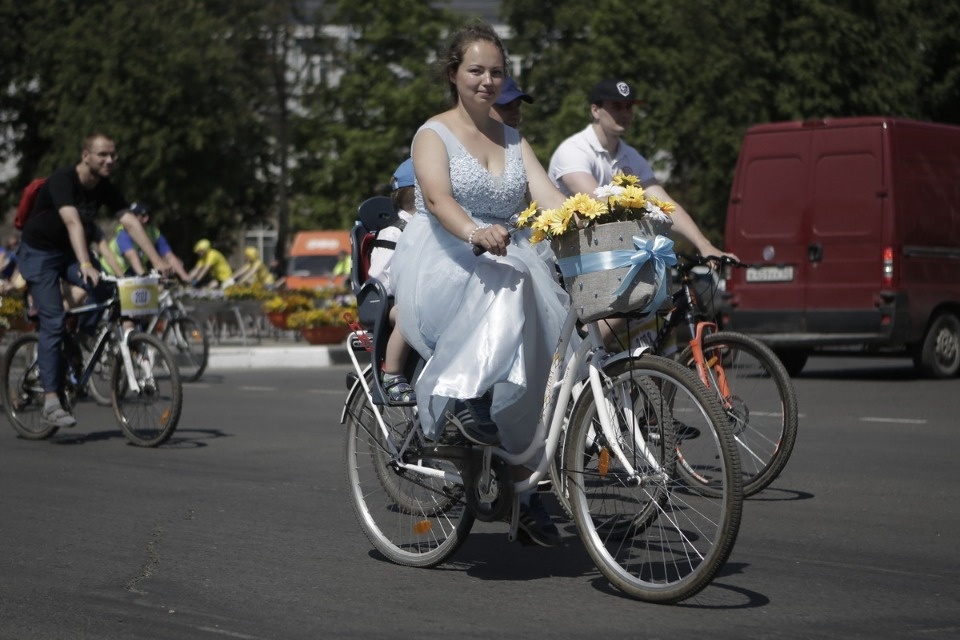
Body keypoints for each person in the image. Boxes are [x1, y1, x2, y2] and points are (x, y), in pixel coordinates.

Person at [392, 23, 570, 547]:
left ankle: (523, 484)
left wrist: (601, 214)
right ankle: (463, 399)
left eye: (497, 71)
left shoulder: (514, 138)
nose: (488, 80)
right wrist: (475, 230)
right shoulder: (433, 133)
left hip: (505, 257)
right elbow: (440, 200)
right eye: (476, 70)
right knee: (508, 283)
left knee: (535, 365)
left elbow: (550, 198)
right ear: (453, 74)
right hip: (446, 254)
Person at [16, 132, 170, 428]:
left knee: (113, 290)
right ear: (85, 155)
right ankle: (50, 400)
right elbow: (73, 221)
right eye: (102, 155)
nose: (110, 160)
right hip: (39, 255)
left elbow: (129, 222)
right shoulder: (63, 180)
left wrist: (158, 261)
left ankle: (82, 340)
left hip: (69, 255)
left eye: (113, 155)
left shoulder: (105, 187)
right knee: (53, 320)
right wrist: (85, 262)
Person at [549, 78, 732, 259]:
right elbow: (599, 202)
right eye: (617, 106)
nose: (625, 113)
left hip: (608, 258)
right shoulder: (573, 150)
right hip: (565, 265)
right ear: (595, 110)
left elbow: (664, 204)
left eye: (629, 106)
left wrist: (704, 245)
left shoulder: (631, 156)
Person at [367, 158, 416, 403]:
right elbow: (378, 276)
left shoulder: (428, 228)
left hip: (424, 296)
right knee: (410, 313)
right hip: (393, 304)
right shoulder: (395, 231)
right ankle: (393, 374)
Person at [103, 202, 191, 281]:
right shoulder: (124, 232)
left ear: (145, 218)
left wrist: (185, 277)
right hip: (109, 272)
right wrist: (144, 278)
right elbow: (132, 257)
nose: (127, 219)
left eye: (133, 216)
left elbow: (169, 256)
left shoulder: (153, 233)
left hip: (130, 272)